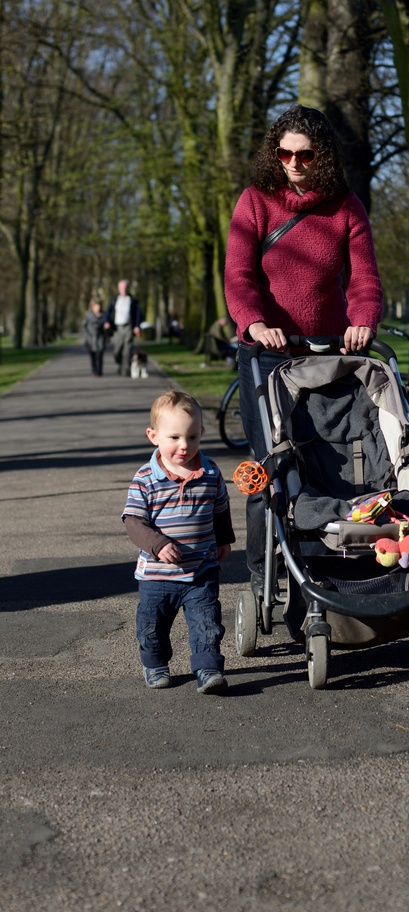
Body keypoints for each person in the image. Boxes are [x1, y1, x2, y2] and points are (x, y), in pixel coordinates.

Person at [224, 104, 383, 592]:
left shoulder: (346, 207)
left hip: (326, 355)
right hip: (268, 354)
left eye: (305, 154)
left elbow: (364, 279)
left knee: (326, 463)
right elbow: (238, 276)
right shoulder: (254, 202)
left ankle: (326, 566)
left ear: (323, 156)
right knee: (269, 467)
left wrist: (362, 320)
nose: (294, 162)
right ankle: (262, 575)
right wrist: (253, 322)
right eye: (285, 152)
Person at [121, 390, 235, 693]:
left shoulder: (210, 472)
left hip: (201, 570)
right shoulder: (146, 478)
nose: (184, 445)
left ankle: (208, 669)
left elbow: (220, 509)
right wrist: (158, 544)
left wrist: (224, 539)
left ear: (201, 434)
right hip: (158, 576)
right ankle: (155, 664)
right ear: (153, 436)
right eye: (174, 438)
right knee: (152, 626)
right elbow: (133, 521)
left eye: (192, 437)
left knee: (207, 623)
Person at [104, 279, 143, 376]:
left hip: (128, 327)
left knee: (127, 350)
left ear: (128, 288)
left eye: (125, 287)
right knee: (117, 350)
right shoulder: (114, 300)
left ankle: (125, 370)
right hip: (117, 328)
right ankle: (120, 364)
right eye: (121, 287)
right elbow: (108, 312)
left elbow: (138, 314)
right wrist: (106, 322)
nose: (123, 289)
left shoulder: (132, 300)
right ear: (118, 288)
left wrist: (137, 326)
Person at [82, 298, 106, 376]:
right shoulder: (88, 315)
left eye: (99, 306)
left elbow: (106, 326)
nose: (97, 308)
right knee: (93, 356)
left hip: (100, 338)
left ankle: (99, 370)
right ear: (92, 306)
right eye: (96, 306)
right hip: (91, 338)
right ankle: (94, 370)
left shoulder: (103, 315)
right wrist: (86, 336)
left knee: (100, 355)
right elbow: (84, 326)